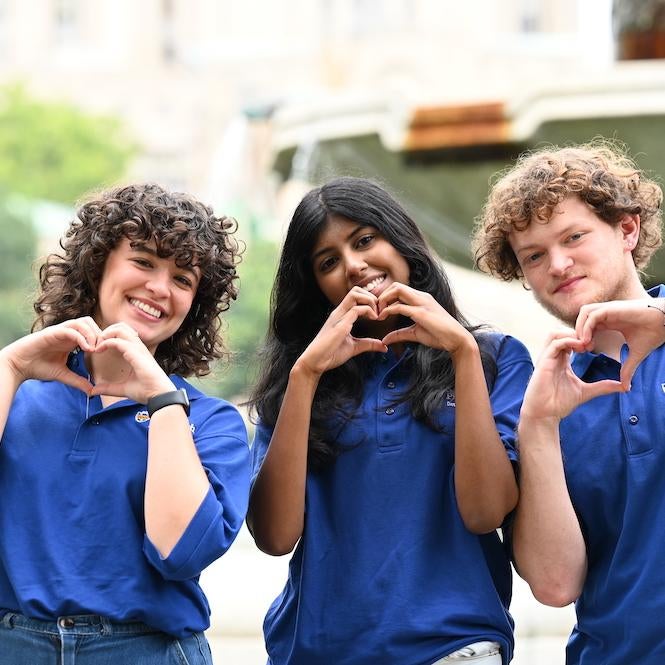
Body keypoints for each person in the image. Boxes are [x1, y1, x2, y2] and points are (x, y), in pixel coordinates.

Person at [246, 176, 533, 665]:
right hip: (317, 652)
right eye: (328, 262)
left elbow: (487, 513)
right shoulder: (299, 382)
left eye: (364, 240)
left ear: (400, 241)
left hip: (454, 646)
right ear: (315, 285)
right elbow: (274, 537)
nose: (354, 266)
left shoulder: (494, 359)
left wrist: (462, 354)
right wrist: (306, 375)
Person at [0, 183, 251, 665]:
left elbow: (178, 552)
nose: (160, 287)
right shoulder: (16, 393)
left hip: (146, 650)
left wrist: (162, 401)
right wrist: (11, 365)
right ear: (98, 266)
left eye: (183, 279)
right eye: (144, 261)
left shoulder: (210, 421)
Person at [472, 141, 665, 664]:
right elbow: (556, 584)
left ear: (627, 229)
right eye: (533, 255)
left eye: (574, 237)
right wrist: (537, 429)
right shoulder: (548, 398)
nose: (557, 264)